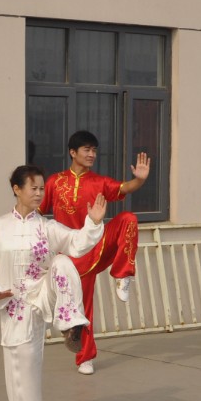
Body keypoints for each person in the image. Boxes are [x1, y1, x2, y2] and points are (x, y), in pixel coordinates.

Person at [0, 164, 105, 401]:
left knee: (62, 261)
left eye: (42, 188)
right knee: (23, 367)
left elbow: (77, 243)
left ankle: (71, 325)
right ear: (17, 189)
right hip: (14, 302)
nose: (39, 194)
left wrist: (93, 222)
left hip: (44, 291)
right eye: (33, 188)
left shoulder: (47, 227)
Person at [39, 130, 149, 375]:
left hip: (96, 247)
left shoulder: (99, 182)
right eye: (87, 150)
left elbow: (125, 187)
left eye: (94, 150)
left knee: (128, 219)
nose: (92, 154)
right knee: (82, 306)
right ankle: (85, 357)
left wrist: (140, 180)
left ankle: (123, 275)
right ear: (73, 152)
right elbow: (38, 211)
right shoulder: (55, 182)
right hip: (69, 256)